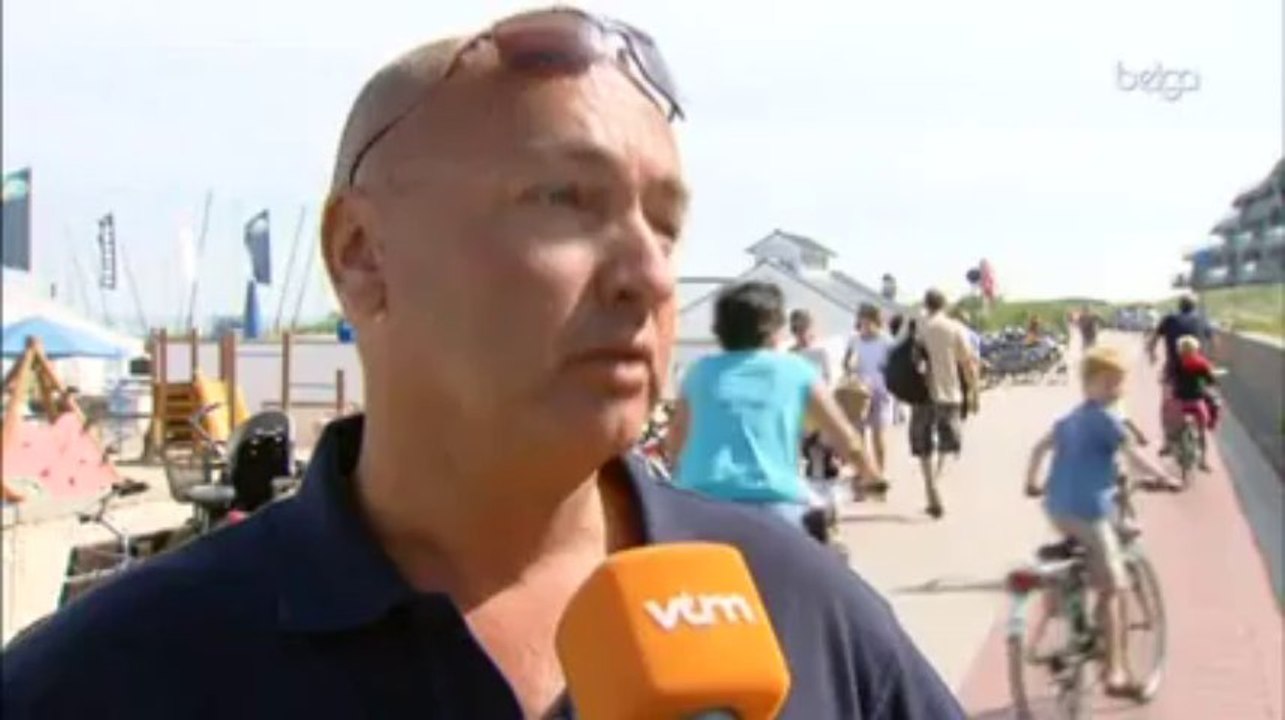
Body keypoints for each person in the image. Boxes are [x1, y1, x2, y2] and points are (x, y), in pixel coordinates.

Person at [2, 11, 963, 717]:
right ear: (362, 254)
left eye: (664, 225)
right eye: (562, 200)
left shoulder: (801, 607)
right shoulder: (111, 679)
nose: (646, 274)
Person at [666, 282, 884, 531]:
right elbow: (846, 438)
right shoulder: (796, 370)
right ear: (774, 330)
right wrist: (871, 474)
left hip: (699, 506)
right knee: (828, 555)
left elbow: (675, 441)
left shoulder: (698, 373)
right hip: (773, 505)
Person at [1024, 346, 1177, 699]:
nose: (1115, 390)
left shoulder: (1067, 421)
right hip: (1090, 511)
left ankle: (1066, 618)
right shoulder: (1106, 419)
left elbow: (1037, 450)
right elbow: (1133, 455)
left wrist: (1031, 484)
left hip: (1057, 508)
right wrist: (1164, 477)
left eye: (1119, 384)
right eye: (1108, 383)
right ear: (1088, 384)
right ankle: (1116, 673)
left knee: (1076, 560)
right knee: (1113, 588)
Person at [911, 289, 979, 518]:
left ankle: (930, 492)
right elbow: (967, 362)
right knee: (949, 444)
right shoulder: (954, 328)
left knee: (923, 445)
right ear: (945, 305)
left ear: (925, 304)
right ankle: (938, 483)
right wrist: (973, 391)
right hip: (948, 393)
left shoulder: (917, 326)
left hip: (920, 394)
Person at [1147, 294, 1214, 453]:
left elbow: (1154, 339)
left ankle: (1167, 443)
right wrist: (1210, 360)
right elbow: (1213, 341)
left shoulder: (1169, 319)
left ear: (1179, 306)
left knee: (1167, 406)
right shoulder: (1202, 320)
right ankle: (1202, 444)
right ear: (1194, 307)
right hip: (1197, 369)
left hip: (1173, 370)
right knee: (1205, 401)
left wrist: (1152, 353)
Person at [788, 308, 841, 485]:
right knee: (803, 455)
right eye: (797, 330)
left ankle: (822, 497)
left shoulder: (820, 353)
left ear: (811, 329)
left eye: (804, 329)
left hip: (818, 410)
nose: (801, 334)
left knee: (820, 454)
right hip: (799, 412)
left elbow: (827, 380)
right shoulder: (790, 355)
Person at [842, 303, 894, 473]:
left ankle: (880, 473)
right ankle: (863, 474)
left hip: (880, 392)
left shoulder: (886, 341)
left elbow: (893, 367)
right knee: (858, 437)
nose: (865, 325)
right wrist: (850, 368)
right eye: (862, 320)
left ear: (876, 321)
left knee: (878, 436)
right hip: (858, 393)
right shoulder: (854, 339)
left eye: (868, 320)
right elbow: (846, 363)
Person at [1169, 335, 1221, 470]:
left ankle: (1172, 443)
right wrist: (1213, 380)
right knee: (1203, 429)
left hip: (1179, 400)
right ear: (1196, 349)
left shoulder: (1176, 363)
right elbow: (1211, 381)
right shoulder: (1201, 363)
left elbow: (1171, 378)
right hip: (1196, 401)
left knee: (1174, 421)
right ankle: (1203, 461)